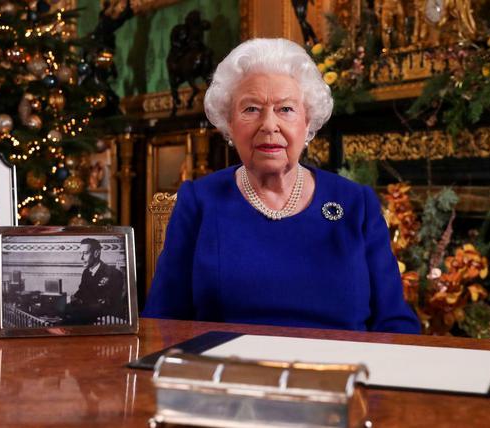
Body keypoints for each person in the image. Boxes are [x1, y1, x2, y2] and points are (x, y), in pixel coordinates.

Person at [143, 38, 420, 333]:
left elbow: (394, 321)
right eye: (251, 109)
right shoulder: (199, 201)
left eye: (285, 109)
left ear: (308, 121)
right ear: (228, 123)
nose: (269, 125)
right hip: (227, 373)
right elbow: (162, 320)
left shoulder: (356, 203)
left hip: (339, 374)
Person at [67, 238, 126, 323]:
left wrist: (80, 303)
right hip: (87, 315)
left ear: (96, 253)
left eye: (85, 253)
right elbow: (81, 293)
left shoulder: (113, 274)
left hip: (105, 320)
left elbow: (108, 303)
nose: (81, 258)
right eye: (81, 253)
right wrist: (69, 299)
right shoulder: (86, 272)